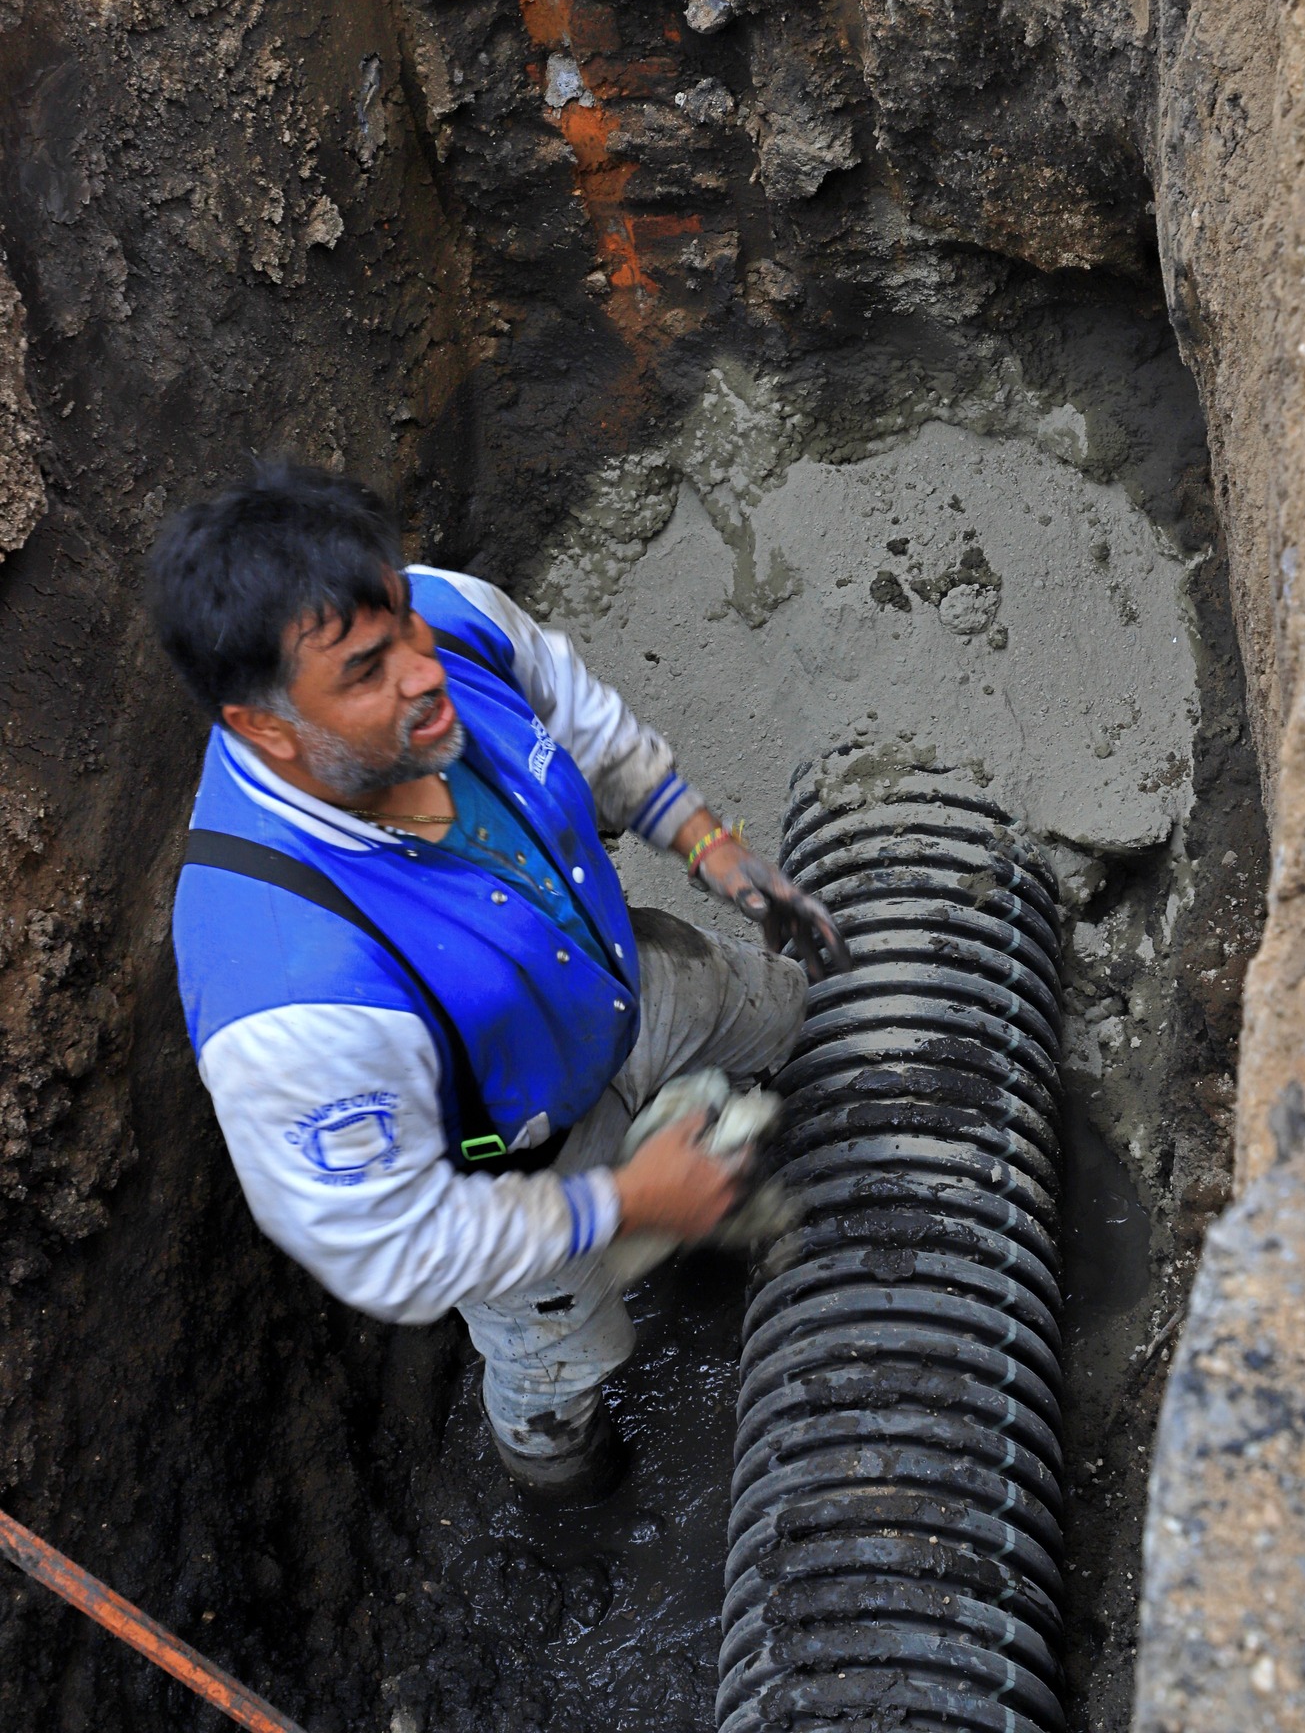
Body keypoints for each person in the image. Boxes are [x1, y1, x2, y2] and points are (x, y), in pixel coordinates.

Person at [148, 462, 849, 1497]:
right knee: (562, 1363)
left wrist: (708, 844)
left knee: (780, 1009)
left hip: (624, 985)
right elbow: (390, 1244)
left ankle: (755, 1141)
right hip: (517, 1174)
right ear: (263, 725)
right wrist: (624, 1200)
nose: (420, 673)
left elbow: (586, 720)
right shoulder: (287, 984)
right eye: (365, 672)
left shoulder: (444, 614)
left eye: (408, 632)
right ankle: (567, 1486)